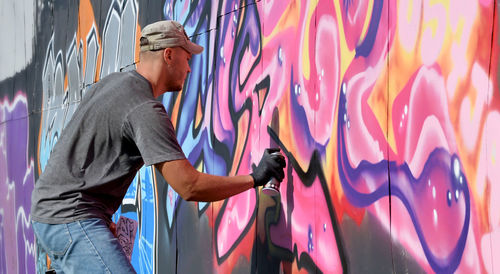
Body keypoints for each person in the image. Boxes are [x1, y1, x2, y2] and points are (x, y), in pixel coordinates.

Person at [31, 20, 286, 273]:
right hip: (72, 217)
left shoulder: (111, 85)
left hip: (55, 214)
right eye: (187, 59)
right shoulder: (143, 108)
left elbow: (75, 154)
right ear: (169, 55)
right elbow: (189, 186)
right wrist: (254, 178)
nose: (189, 69)